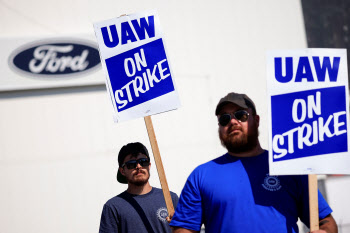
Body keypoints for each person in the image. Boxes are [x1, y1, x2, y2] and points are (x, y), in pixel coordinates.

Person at [169, 92, 337, 233]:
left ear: (256, 120)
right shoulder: (201, 176)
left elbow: (326, 222)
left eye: (241, 115)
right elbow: (184, 228)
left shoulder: (290, 167)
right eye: (224, 119)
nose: (233, 122)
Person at [99, 142, 179, 233]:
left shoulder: (170, 198)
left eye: (143, 162)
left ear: (149, 165)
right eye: (131, 164)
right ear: (122, 171)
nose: (138, 166)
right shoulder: (113, 207)